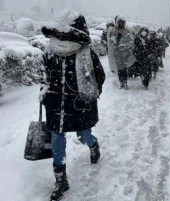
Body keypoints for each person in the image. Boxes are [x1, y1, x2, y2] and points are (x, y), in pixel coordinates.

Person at [40, 10, 105, 201]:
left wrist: (89, 94)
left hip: (78, 105)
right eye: (58, 33)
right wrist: (45, 93)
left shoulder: (86, 53)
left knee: (84, 135)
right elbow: (43, 77)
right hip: (55, 106)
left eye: (64, 33)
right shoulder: (49, 52)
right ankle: (60, 179)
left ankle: (93, 145)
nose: (60, 37)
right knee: (57, 140)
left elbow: (99, 77)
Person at [107, 16, 136, 89]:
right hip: (117, 53)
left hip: (125, 53)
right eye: (119, 22)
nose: (121, 24)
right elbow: (111, 42)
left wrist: (125, 47)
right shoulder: (113, 31)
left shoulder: (127, 31)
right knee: (119, 68)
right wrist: (116, 43)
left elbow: (131, 42)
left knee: (124, 68)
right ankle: (121, 82)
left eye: (122, 22)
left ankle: (125, 83)